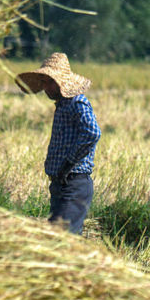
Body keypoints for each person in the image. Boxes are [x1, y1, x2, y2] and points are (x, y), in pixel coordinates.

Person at [16, 53, 101, 235]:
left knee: (63, 239)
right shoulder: (62, 105)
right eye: (44, 82)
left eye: (50, 82)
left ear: (61, 81)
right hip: (60, 184)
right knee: (58, 239)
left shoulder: (77, 102)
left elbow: (92, 133)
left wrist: (69, 164)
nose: (46, 87)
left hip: (74, 183)